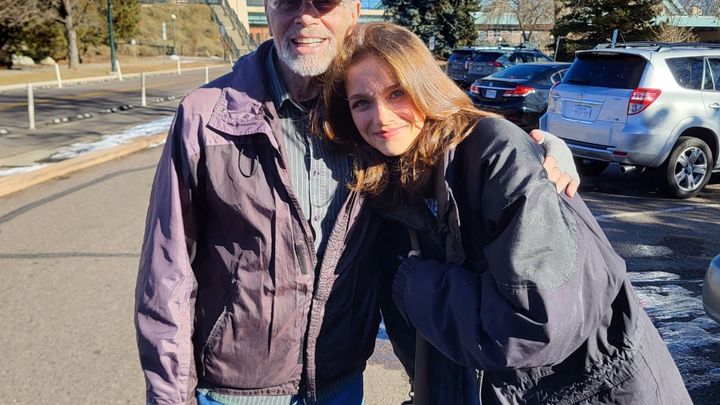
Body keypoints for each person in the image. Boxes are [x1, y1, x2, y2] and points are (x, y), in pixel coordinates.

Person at [133, 1, 578, 404]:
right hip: (235, 391)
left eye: (324, 2)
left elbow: (454, 140)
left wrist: (542, 152)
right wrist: (171, 397)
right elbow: (167, 272)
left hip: (341, 383)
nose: (305, 16)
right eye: (287, 2)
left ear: (354, 10)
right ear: (266, 9)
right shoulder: (206, 116)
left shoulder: (370, 112)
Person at [321, 21, 691, 404]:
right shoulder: (386, 183)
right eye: (361, 103)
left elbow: (534, 324)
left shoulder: (493, 152)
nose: (381, 117)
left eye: (397, 92)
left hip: (598, 388)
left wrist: (413, 281)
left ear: (425, 85)